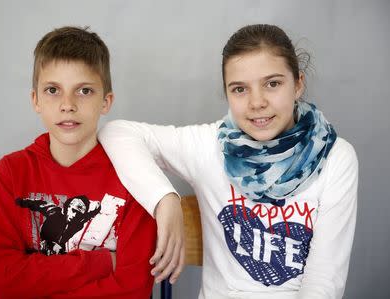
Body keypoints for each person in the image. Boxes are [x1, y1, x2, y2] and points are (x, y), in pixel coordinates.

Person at [99, 24, 358, 298]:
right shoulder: (210, 145)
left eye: (273, 84)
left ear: (298, 84)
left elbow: (324, 282)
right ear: (227, 93)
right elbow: (116, 132)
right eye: (239, 89)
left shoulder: (335, 157)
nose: (257, 102)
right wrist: (164, 199)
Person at [0, 26, 157, 299]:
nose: (68, 104)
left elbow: (134, 288)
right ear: (35, 100)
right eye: (53, 90)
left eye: (84, 91)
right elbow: (3, 282)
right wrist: (100, 263)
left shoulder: (133, 174)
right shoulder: (13, 171)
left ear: (106, 101)